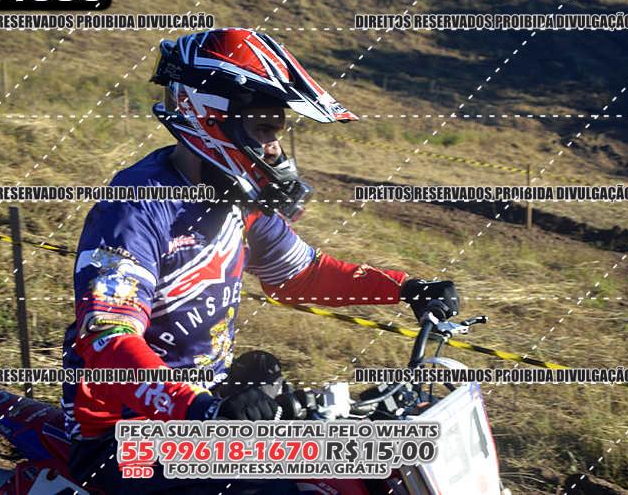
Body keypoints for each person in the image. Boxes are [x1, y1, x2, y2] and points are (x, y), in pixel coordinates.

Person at [61, 28, 460, 493]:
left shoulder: (237, 199)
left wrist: (405, 289)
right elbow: (107, 338)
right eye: (264, 130)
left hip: (204, 410)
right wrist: (201, 410)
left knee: (350, 465)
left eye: (277, 132)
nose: (274, 149)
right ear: (210, 117)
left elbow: (300, 274)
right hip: (121, 432)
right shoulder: (137, 206)